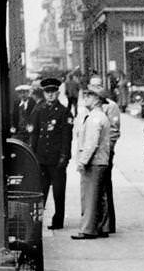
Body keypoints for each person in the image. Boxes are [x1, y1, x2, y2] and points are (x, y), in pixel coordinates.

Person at [29, 75, 74, 230]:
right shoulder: (38, 110)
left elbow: (67, 137)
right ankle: (37, 221)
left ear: (58, 93)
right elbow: (33, 134)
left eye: (53, 91)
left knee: (58, 192)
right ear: (43, 93)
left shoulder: (64, 112)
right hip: (41, 158)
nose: (50, 94)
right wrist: (32, 154)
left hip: (56, 159)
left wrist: (64, 157)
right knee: (40, 192)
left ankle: (58, 220)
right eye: (47, 91)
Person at [71, 83, 111, 239]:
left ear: (97, 100)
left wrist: (82, 161)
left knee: (90, 197)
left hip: (93, 162)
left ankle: (88, 229)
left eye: (89, 95)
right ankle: (102, 227)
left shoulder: (94, 118)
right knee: (100, 196)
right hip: (100, 161)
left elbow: (91, 143)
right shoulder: (99, 116)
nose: (85, 98)